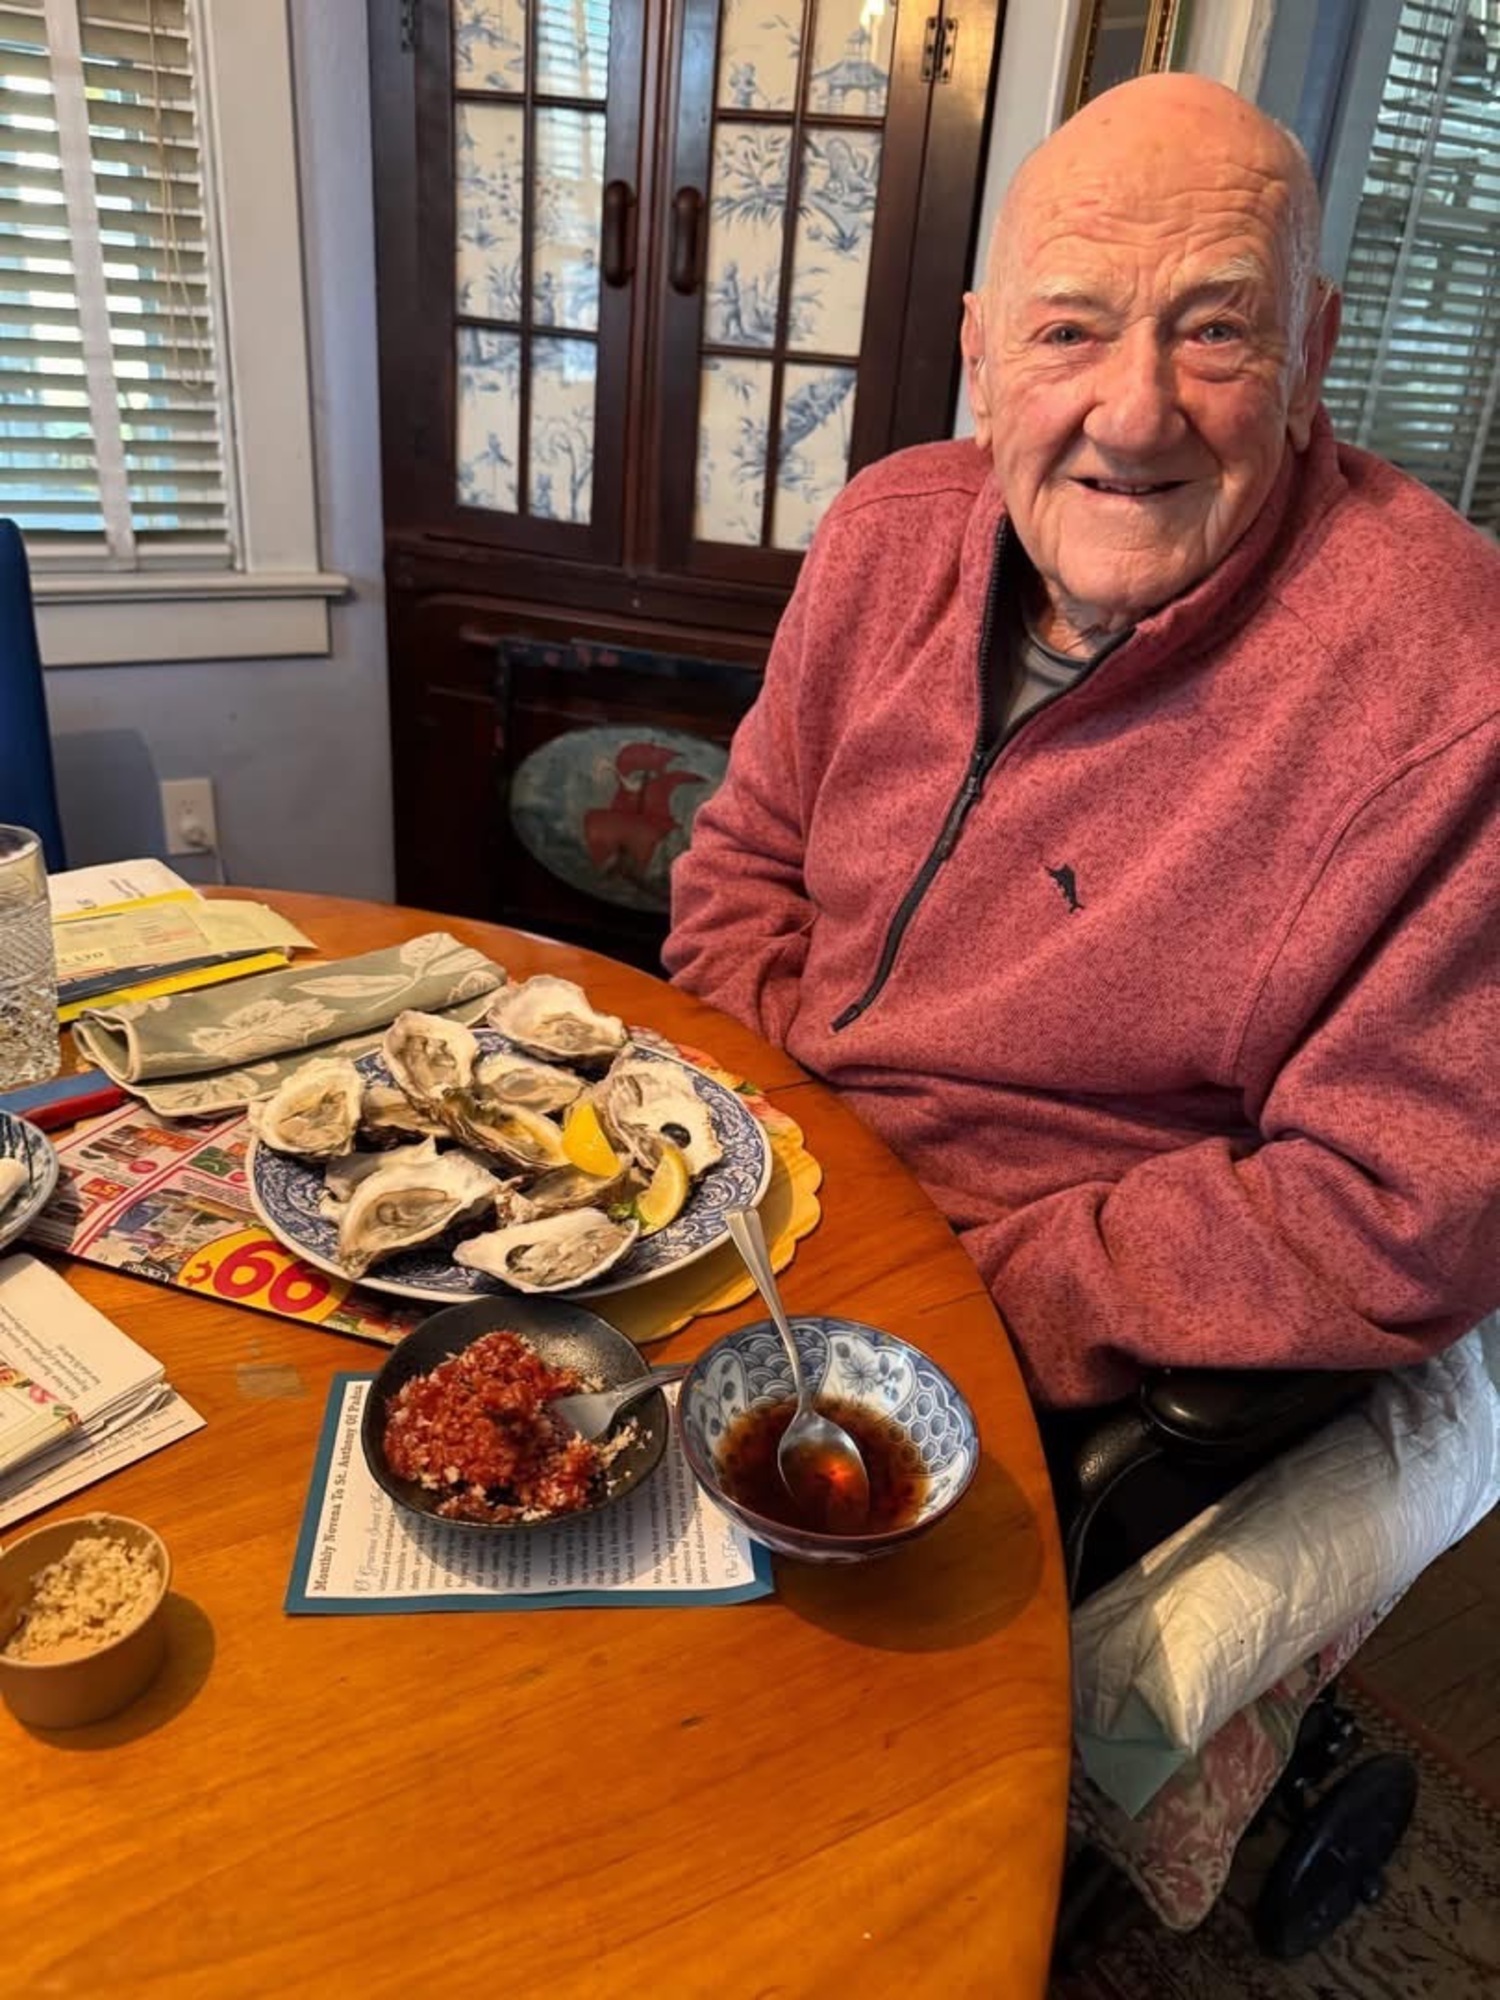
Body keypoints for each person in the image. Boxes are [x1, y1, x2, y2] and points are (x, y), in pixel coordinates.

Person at [664, 73, 1500, 1413]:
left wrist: (978, 1295)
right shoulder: (885, 533)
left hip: (1017, 1332)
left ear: (1313, 357)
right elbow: (740, 867)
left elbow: (1405, 1207)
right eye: (1070, 331)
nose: (1133, 415)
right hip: (753, 1194)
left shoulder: (1452, 677)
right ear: (983, 360)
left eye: (1217, 331)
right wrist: (777, 1145)